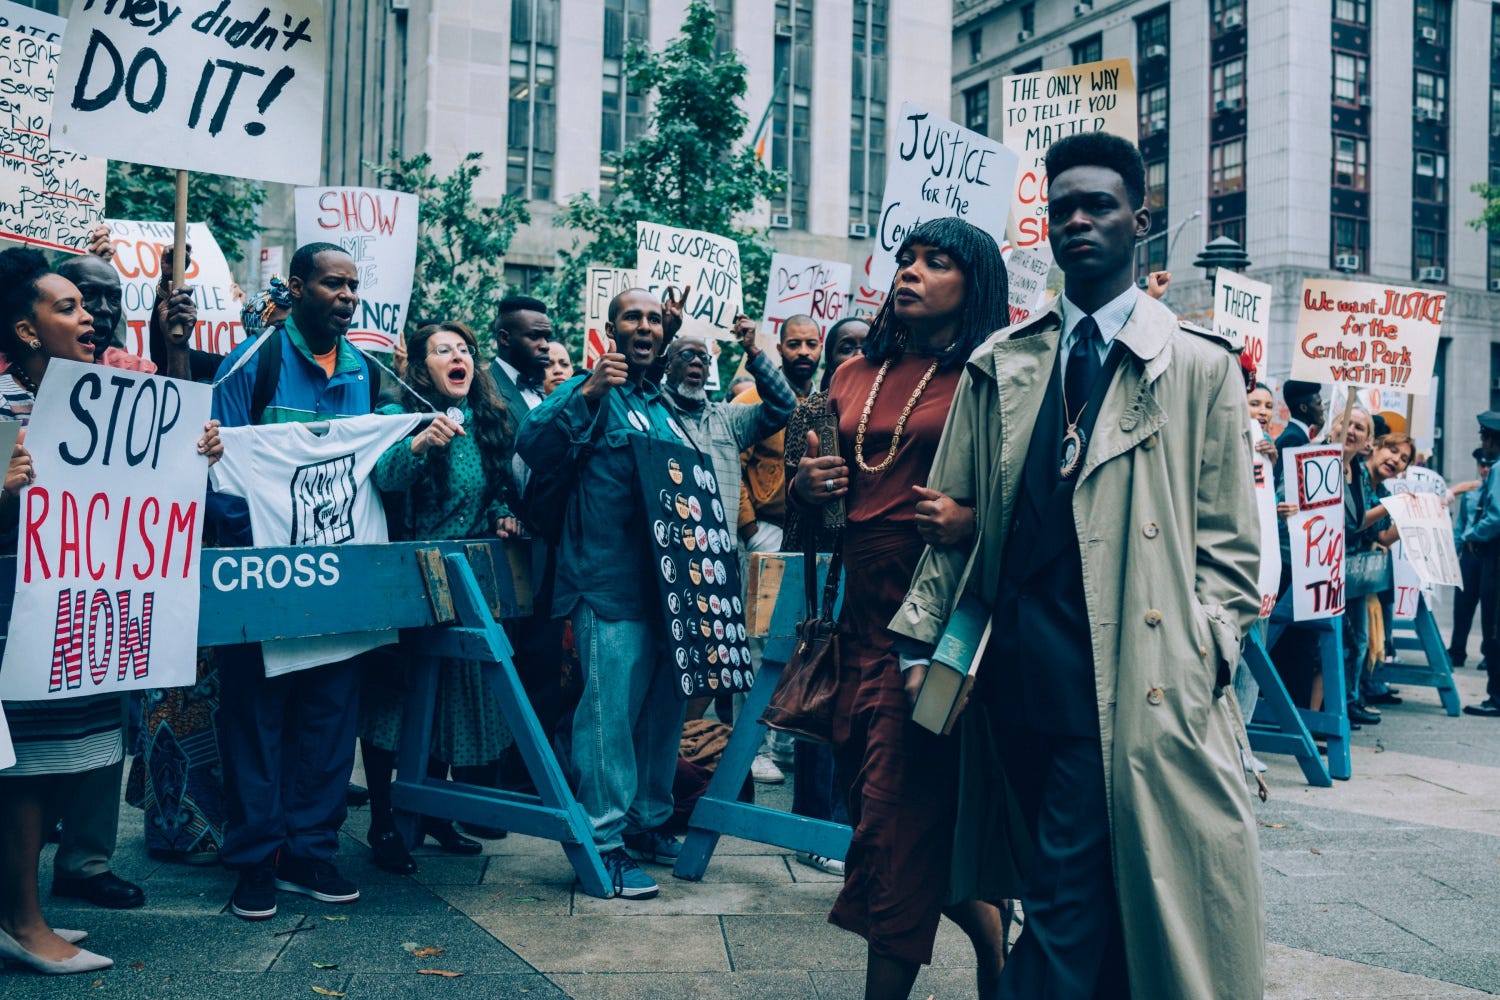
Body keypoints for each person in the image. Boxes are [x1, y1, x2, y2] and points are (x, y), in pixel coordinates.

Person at [889, 133, 1265, 998]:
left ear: (1141, 220)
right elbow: (951, 529)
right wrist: (922, 653)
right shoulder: (1002, 361)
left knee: (1063, 898)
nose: (1079, 220)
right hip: (1006, 677)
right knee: (1063, 889)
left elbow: (1231, 549)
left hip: (1133, 680)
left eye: (1099, 204)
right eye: (1062, 208)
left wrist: (1204, 646)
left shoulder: (1202, 368)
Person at [791, 217, 1011, 999]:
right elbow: (808, 503)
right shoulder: (852, 371)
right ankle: (997, 954)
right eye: (906, 259)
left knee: (889, 832)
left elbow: (1039, 503)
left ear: (974, 282)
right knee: (888, 824)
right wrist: (807, 489)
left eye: (937, 262)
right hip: (855, 625)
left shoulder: (997, 375)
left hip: (930, 633)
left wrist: (971, 522)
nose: (911, 272)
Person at [0, 248, 220, 974]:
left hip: (80, 623)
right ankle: (24, 925)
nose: (91, 317)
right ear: (26, 331)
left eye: (87, 306)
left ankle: (22, 911)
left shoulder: (114, 398)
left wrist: (194, 452)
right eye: (67, 307)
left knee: (61, 766)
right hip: (17, 626)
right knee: (25, 774)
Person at [207, 242, 379, 920]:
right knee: (256, 719)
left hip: (341, 580)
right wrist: (257, 546)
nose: (347, 297)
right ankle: (255, 859)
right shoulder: (254, 362)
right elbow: (214, 461)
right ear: (298, 287)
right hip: (264, 577)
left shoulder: (368, 370)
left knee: (330, 719)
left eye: (354, 286)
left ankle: (309, 850)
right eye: (334, 284)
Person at [515, 287, 689, 901]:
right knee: (606, 721)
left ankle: (645, 826)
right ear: (611, 328)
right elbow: (531, 445)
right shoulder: (589, 390)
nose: (644, 326)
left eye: (653, 318)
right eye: (632, 317)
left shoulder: (662, 404)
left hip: (664, 594)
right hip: (604, 587)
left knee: (659, 719)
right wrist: (587, 392)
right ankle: (603, 844)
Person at [360, 322, 519, 874]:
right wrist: (420, 443)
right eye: (444, 350)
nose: (460, 357)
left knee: (447, 699)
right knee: (394, 707)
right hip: (405, 578)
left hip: (463, 580)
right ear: (418, 366)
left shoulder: (489, 422)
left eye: (466, 350)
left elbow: (498, 487)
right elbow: (381, 480)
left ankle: (431, 814)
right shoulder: (397, 419)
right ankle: (383, 821)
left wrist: (503, 515)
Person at [662, 316, 796, 544]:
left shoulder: (729, 419)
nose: (696, 361)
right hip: (671, 546)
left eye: (704, 358)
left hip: (720, 551)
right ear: (667, 365)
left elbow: (786, 406)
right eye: (686, 355)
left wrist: (752, 350)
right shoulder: (654, 411)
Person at [1461, 411, 1500, 717]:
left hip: (1494, 557)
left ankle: (1496, 696)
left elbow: (1495, 516)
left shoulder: (1498, 469)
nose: (1482, 443)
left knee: (1494, 625)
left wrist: (1472, 534)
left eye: (1484, 437)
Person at [1449, 447, 1494, 666]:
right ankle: (1457, 650)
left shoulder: (1495, 491)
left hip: (1489, 553)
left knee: (1490, 607)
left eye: (1489, 465)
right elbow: (1461, 524)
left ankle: (1489, 654)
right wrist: (1454, 552)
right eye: (1481, 465)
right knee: (1463, 604)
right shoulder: (1470, 492)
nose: (1485, 469)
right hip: (1469, 553)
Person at [489, 295, 551, 418]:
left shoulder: (545, 391)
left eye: (547, 337)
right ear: (505, 338)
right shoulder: (481, 388)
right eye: (534, 336)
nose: (545, 345)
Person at [820, 317, 870, 392]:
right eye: (847, 349)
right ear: (830, 362)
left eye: (867, 348)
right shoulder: (816, 403)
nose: (859, 355)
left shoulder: (891, 402)